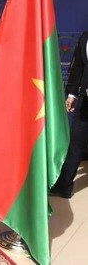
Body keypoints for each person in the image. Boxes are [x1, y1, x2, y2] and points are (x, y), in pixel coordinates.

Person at [51, 31, 88, 199]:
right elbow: (78, 66)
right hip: (85, 100)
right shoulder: (85, 37)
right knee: (75, 143)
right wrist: (72, 94)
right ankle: (63, 186)